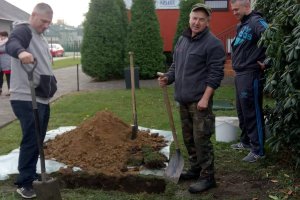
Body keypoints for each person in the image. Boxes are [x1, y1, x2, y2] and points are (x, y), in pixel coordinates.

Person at [158, 3, 225, 194]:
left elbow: (215, 74)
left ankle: (208, 176)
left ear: (207, 22)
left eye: (201, 19)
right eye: (194, 18)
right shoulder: (182, 40)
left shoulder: (213, 44)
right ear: (189, 19)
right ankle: (196, 168)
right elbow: (175, 66)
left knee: (201, 139)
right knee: (189, 138)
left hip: (199, 101)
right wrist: (167, 78)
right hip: (183, 99)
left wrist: (205, 99)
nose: (196, 22)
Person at [6, 3, 57, 199]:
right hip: (26, 97)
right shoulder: (23, 30)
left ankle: (30, 173)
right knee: (31, 139)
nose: (46, 25)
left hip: (41, 97)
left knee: (38, 139)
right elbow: (12, 43)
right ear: (33, 15)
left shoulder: (41, 37)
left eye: (49, 23)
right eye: (44, 21)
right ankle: (24, 182)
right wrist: (21, 52)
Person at [229, 0, 268, 162]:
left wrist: (267, 62)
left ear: (247, 7)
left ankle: (258, 150)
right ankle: (246, 141)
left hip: (251, 74)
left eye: (237, 9)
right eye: (232, 10)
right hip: (240, 74)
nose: (234, 12)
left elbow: (273, 38)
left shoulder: (256, 22)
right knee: (242, 111)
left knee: (252, 112)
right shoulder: (242, 25)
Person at [0, 31, 12, 96]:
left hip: (7, 61)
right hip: (0, 63)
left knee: (8, 77)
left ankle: (10, 90)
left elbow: (6, 49)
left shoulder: (8, 42)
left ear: (5, 36)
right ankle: (0, 89)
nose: (1, 37)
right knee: (0, 77)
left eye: (2, 36)